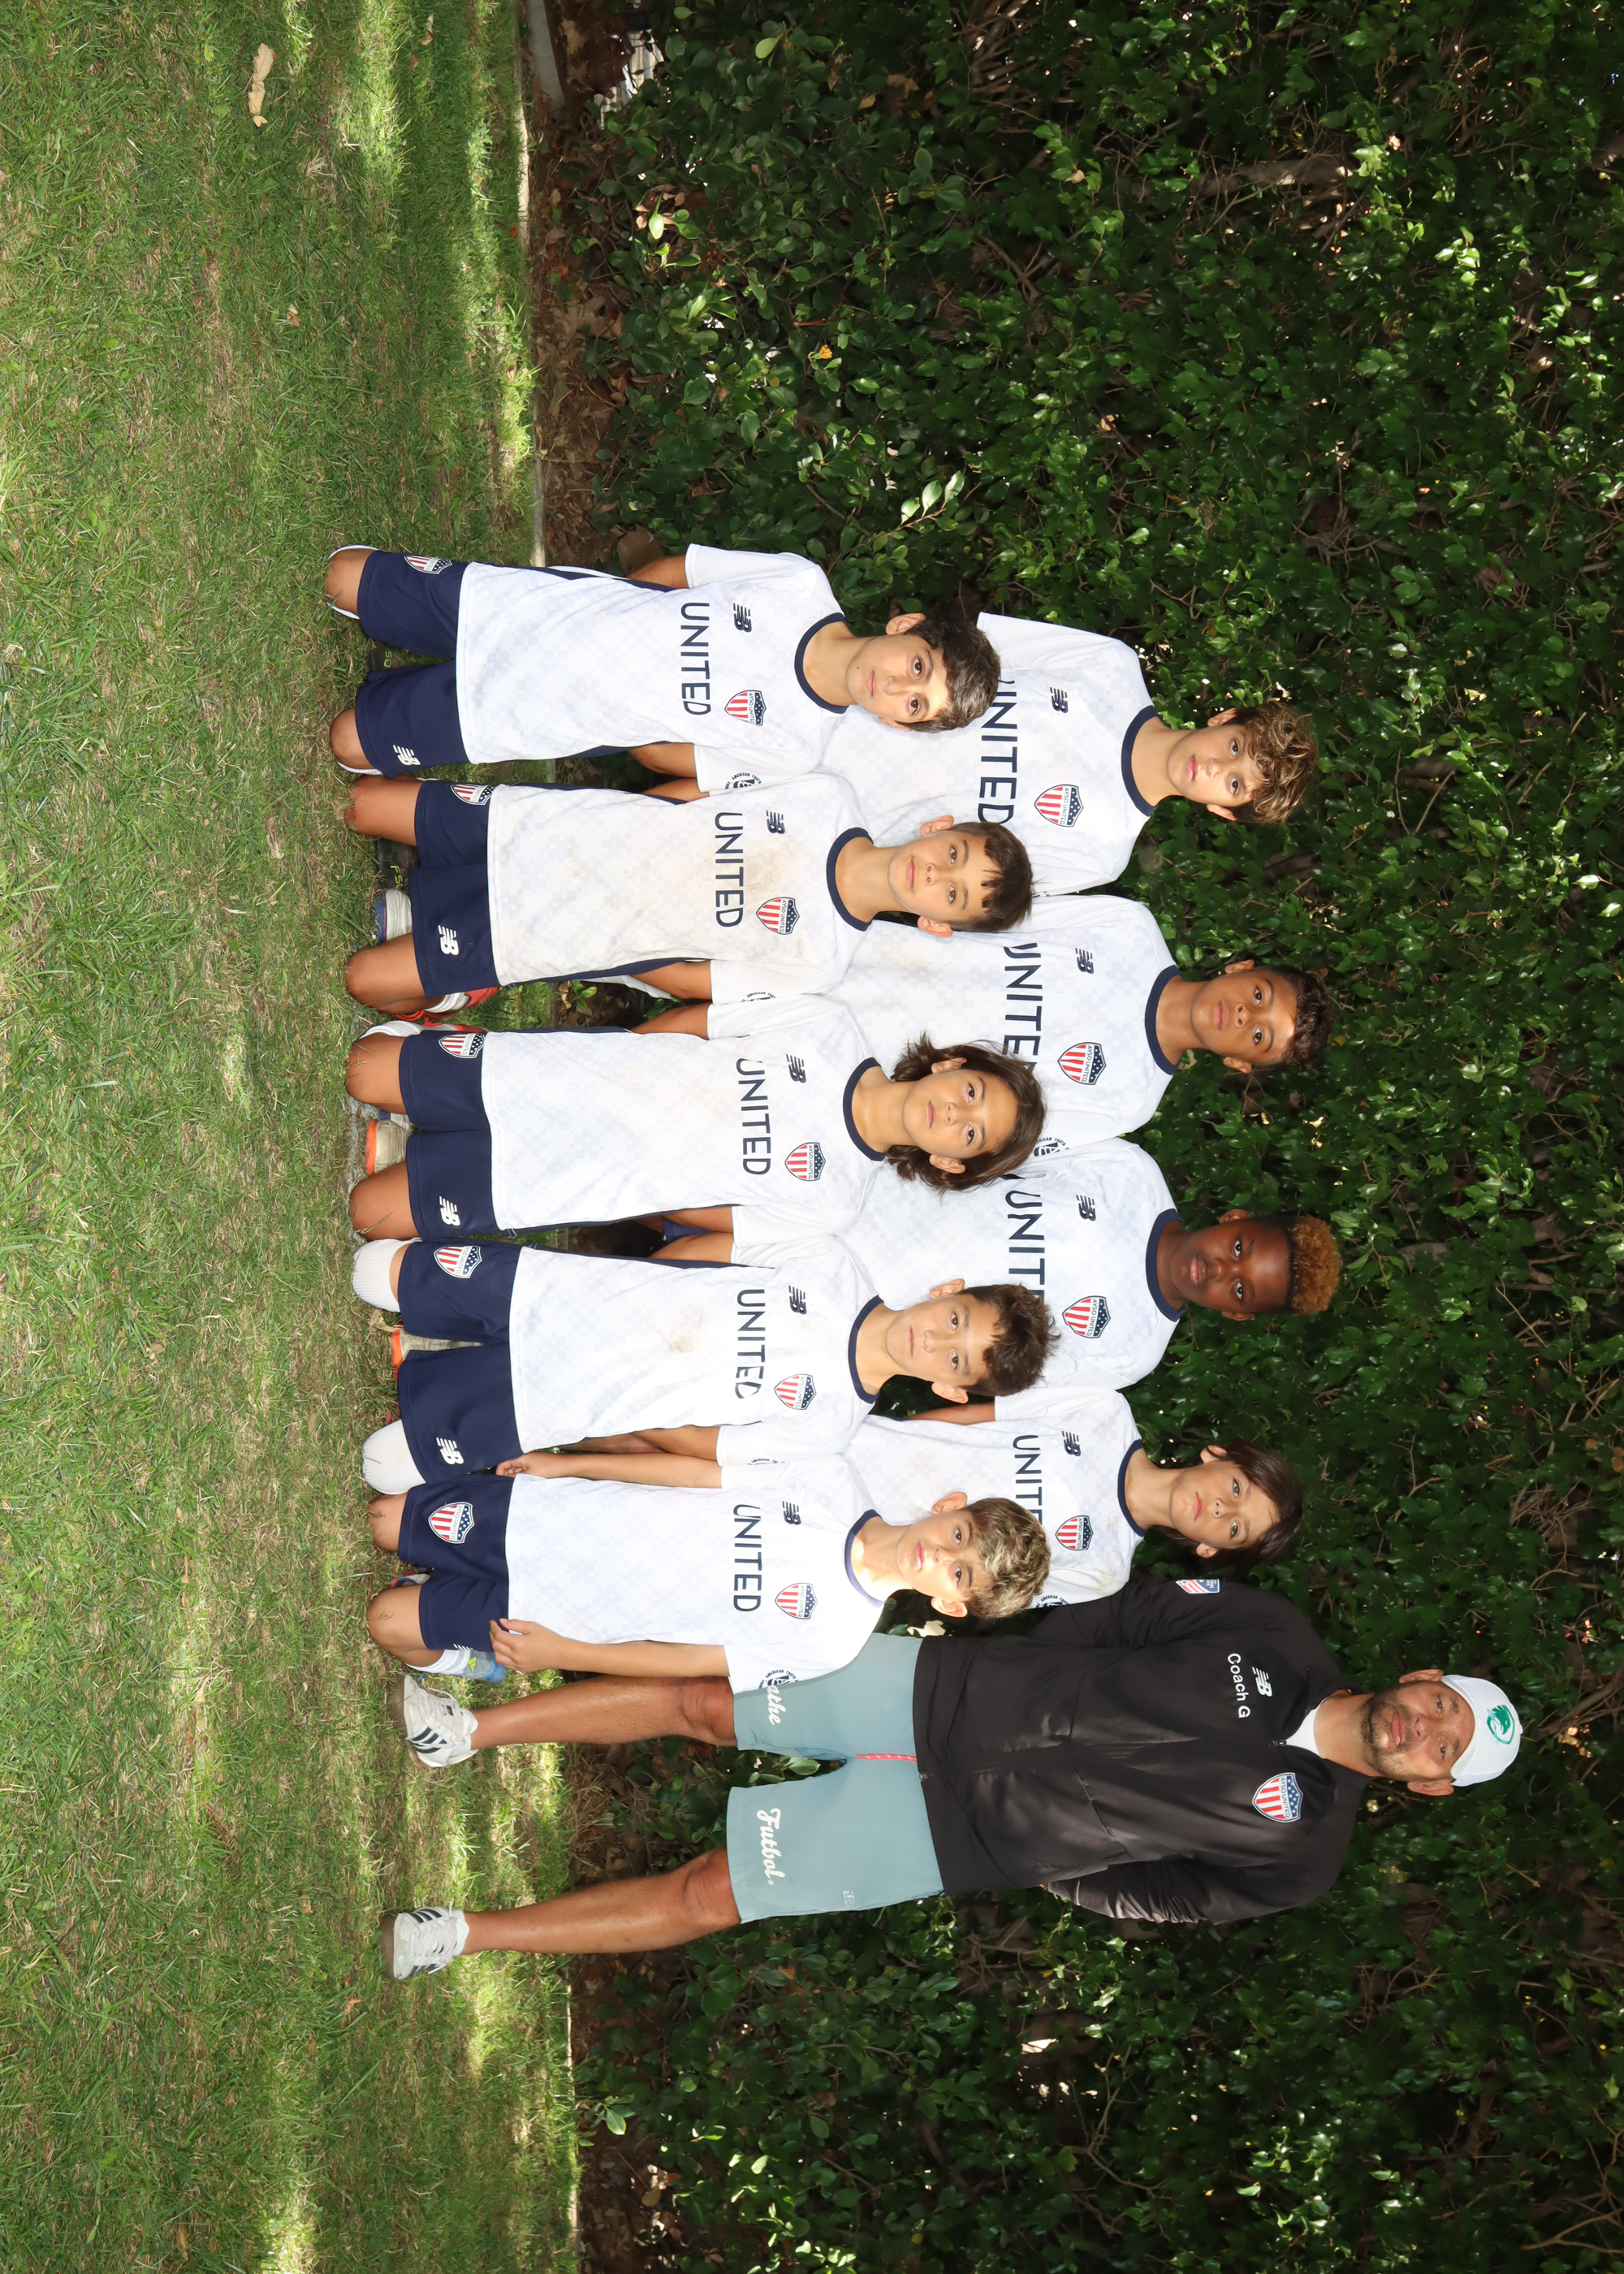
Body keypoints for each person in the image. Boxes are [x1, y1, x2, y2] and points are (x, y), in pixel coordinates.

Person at [376, 1572, 1524, 1976]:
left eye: (1446, 1749)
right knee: (705, 1699)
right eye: (1444, 1706)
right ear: (1424, 1677)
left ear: (1428, 1787)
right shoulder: (1273, 1634)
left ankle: (463, 1936)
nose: (1427, 1729)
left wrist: (1046, 1860)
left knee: (711, 1894)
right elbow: (1120, 1617)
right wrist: (1015, 1667)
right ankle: (468, 1733)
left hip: (953, 1839)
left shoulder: (1305, 1856)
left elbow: (1168, 1898)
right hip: (939, 1691)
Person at [665, 609, 1319, 897]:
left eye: (1235, 785)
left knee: (666, 816)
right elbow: (965, 650)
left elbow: (967, 893)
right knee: (659, 736)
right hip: (826, 710)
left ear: (1223, 812)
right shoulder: (1109, 668)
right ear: (1224, 718)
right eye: (1235, 747)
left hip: (823, 820)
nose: (1216, 768)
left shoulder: (1100, 854)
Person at [349, 1233, 1056, 1489]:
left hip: (568, 1396)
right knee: (371, 1270)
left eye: (955, 1361)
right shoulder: (831, 1260)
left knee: (383, 1465)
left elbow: (702, 1450)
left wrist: (620, 1405)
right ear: (946, 1291)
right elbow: (697, 1254)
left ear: (949, 1391)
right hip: (557, 1295)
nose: (934, 1342)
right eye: (954, 1322)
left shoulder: (829, 1429)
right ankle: (437, 1335)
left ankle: (441, 1367)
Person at [634, 897, 1333, 1148]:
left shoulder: (1129, 1103)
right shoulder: (1129, 929)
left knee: (690, 1050)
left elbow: (1003, 1139)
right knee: (677, 962)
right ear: (1244, 966)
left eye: (1258, 1035)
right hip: (880, 959)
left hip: (864, 1073)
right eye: (1260, 994)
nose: (1244, 1014)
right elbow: (1007, 907)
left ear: (1241, 1062)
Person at [657, 1137, 1344, 1392]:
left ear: (1236, 1315)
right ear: (1235, 1220)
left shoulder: (1131, 1354)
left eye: (1241, 1291)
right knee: (661, 1193)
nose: (1222, 1271)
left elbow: (994, 1386)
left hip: (842, 1313)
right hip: (856, 1196)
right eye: (1239, 1250)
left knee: (667, 1291)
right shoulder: (1130, 1173)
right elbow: (1001, 1144)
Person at [339, 773, 1032, 1021]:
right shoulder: (829, 795)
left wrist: (612, 940)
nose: (934, 876)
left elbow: (694, 981)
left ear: (936, 925)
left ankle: (453, 986)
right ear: (939, 828)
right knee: (361, 804)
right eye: (953, 856)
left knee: (367, 983)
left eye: (953, 896)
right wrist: (630, 824)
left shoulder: (824, 961)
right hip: (568, 834)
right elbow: (700, 791)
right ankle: (437, 907)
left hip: (568, 929)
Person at [343, 1004, 1046, 1247]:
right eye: (972, 1092)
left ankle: (423, 1142)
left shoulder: (836, 1204)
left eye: (971, 1134)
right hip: (571, 1081)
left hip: (575, 1177)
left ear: (950, 1163)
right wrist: (620, 1065)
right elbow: (701, 1022)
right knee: (365, 1070)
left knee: (370, 1215)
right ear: (952, 1063)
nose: (956, 1113)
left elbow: (706, 1216)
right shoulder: (831, 1027)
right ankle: (429, 1094)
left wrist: (637, 1177)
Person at [361, 1446, 1048, 1681]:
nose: (943, 1554)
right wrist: (568, 1466)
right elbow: (694, 1474)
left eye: (959, 1573)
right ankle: (438, 1580)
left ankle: (466, 1658)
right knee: (383, 1521)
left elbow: (691, 1661)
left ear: (950, 1604)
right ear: (949, 1505)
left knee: (386, 1623)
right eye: (959, 1533)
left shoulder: (834, 1640)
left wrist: (563, 1652)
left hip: (565, 1611)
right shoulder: (831, 1479)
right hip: (558, 1518)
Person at [323, 543, 1000, 782]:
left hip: (535, 713)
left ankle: (415, 694)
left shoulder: (799, 749)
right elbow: (681, 572)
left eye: (916, 704)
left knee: (348, 744)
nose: (897, 686)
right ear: (906, 626)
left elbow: (667, 756)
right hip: (533, 611)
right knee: (342, 577)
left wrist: (617, 708)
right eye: (918, 666)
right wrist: (612, 613)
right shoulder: (802, 584)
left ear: (899, 724)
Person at [849, 1394, 1302, 1604]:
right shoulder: (1106, 1411)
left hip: (855, 1550)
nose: (1223, 1507)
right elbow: (977, 1415)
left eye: (1235, 1528)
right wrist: (882, 1435)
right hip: (855, 1452)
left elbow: (981, 1591)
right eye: (1237, 1488)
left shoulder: (1104, 1574)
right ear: (1217, 1455)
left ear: (1211, 1550)